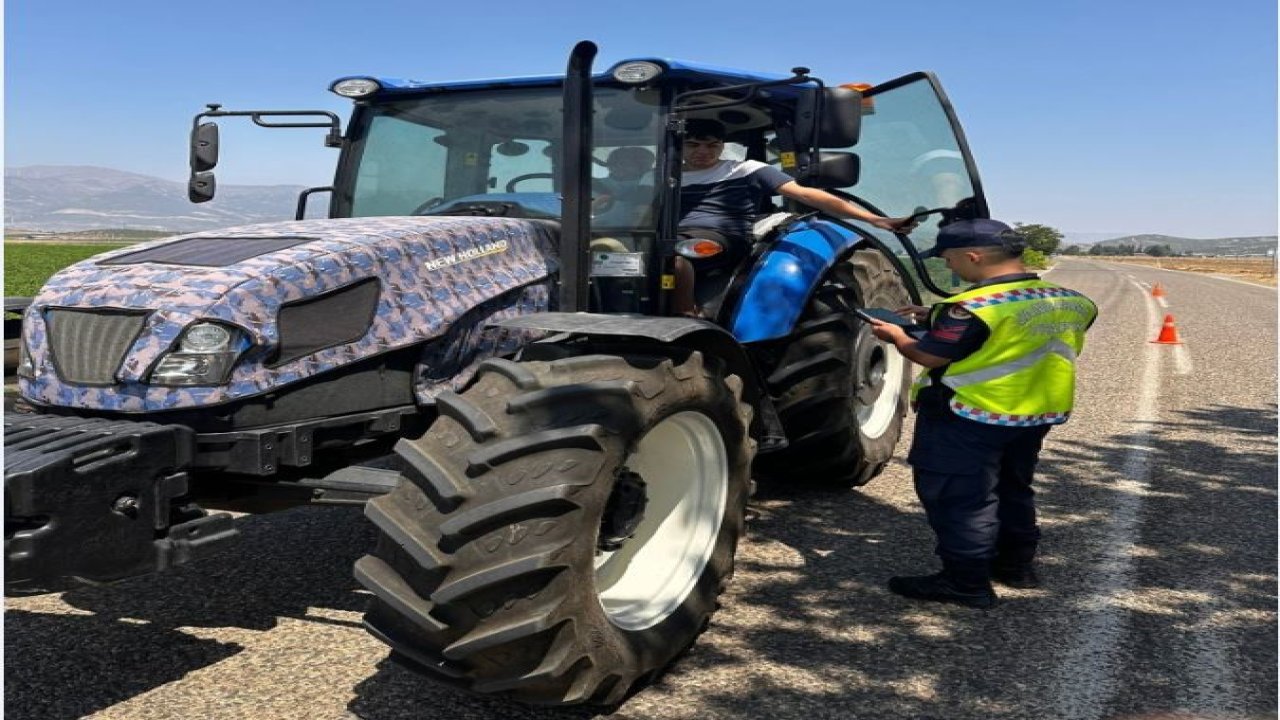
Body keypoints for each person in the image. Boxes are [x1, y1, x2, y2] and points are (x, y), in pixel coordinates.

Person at [866, 218, 1097, 609]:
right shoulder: (1072, 299)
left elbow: (929, 354)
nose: (949, 266)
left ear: (973, 256)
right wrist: (934, 316)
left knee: (960, 497)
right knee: (1013, 487)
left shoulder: (971, 309)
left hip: (970, 413)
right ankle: (1017, 567)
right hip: (1033, 414)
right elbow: (1015, 333)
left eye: (950, 258)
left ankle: (966, 582)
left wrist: (898, 336)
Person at [672, 118, 915, 316]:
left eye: (712, 145)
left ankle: (687, 315)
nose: (703, 152)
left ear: (722, 146)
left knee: (674, 256)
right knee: (653, 250)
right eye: (694, 145)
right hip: (673, 235)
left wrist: (874, 219)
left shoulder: (745, 170)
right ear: (680, 144)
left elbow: (806, 195)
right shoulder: (664, 177)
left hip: (722, 239)